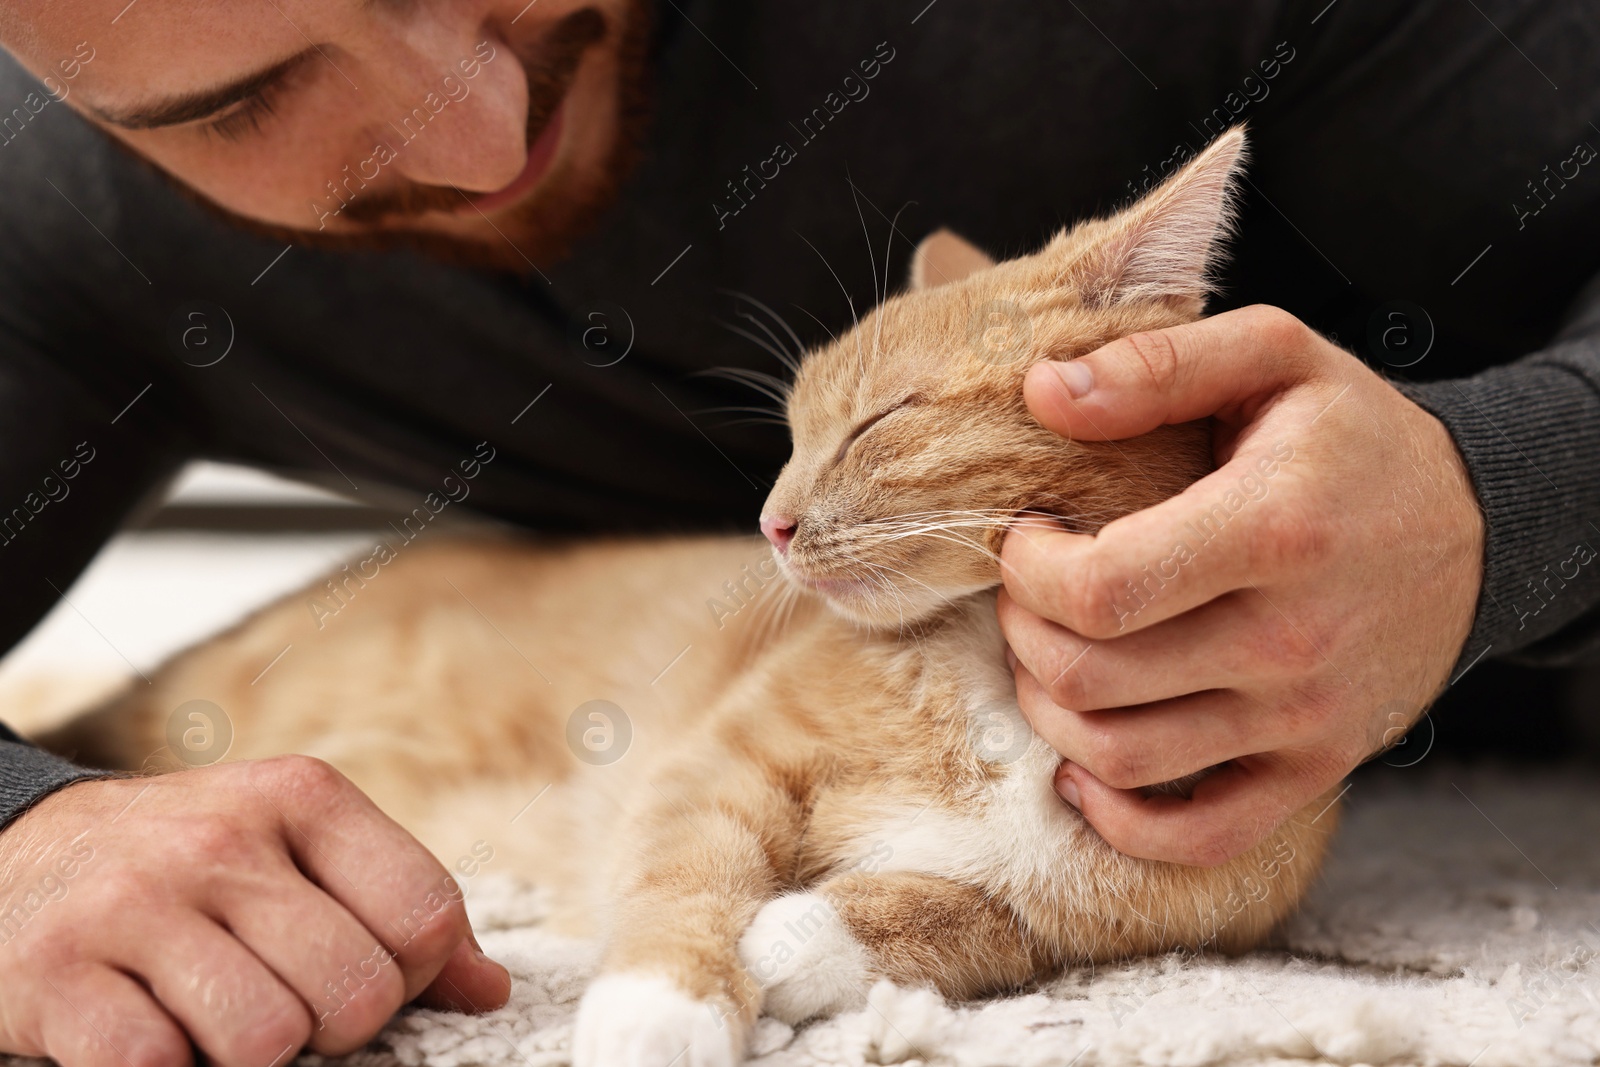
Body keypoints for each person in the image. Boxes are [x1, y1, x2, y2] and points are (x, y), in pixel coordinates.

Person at [0, 0, 1596, 1062]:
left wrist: (1502, 497)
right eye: (245, 99)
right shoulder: (51, 210)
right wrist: (21, 831)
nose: (480, 136)